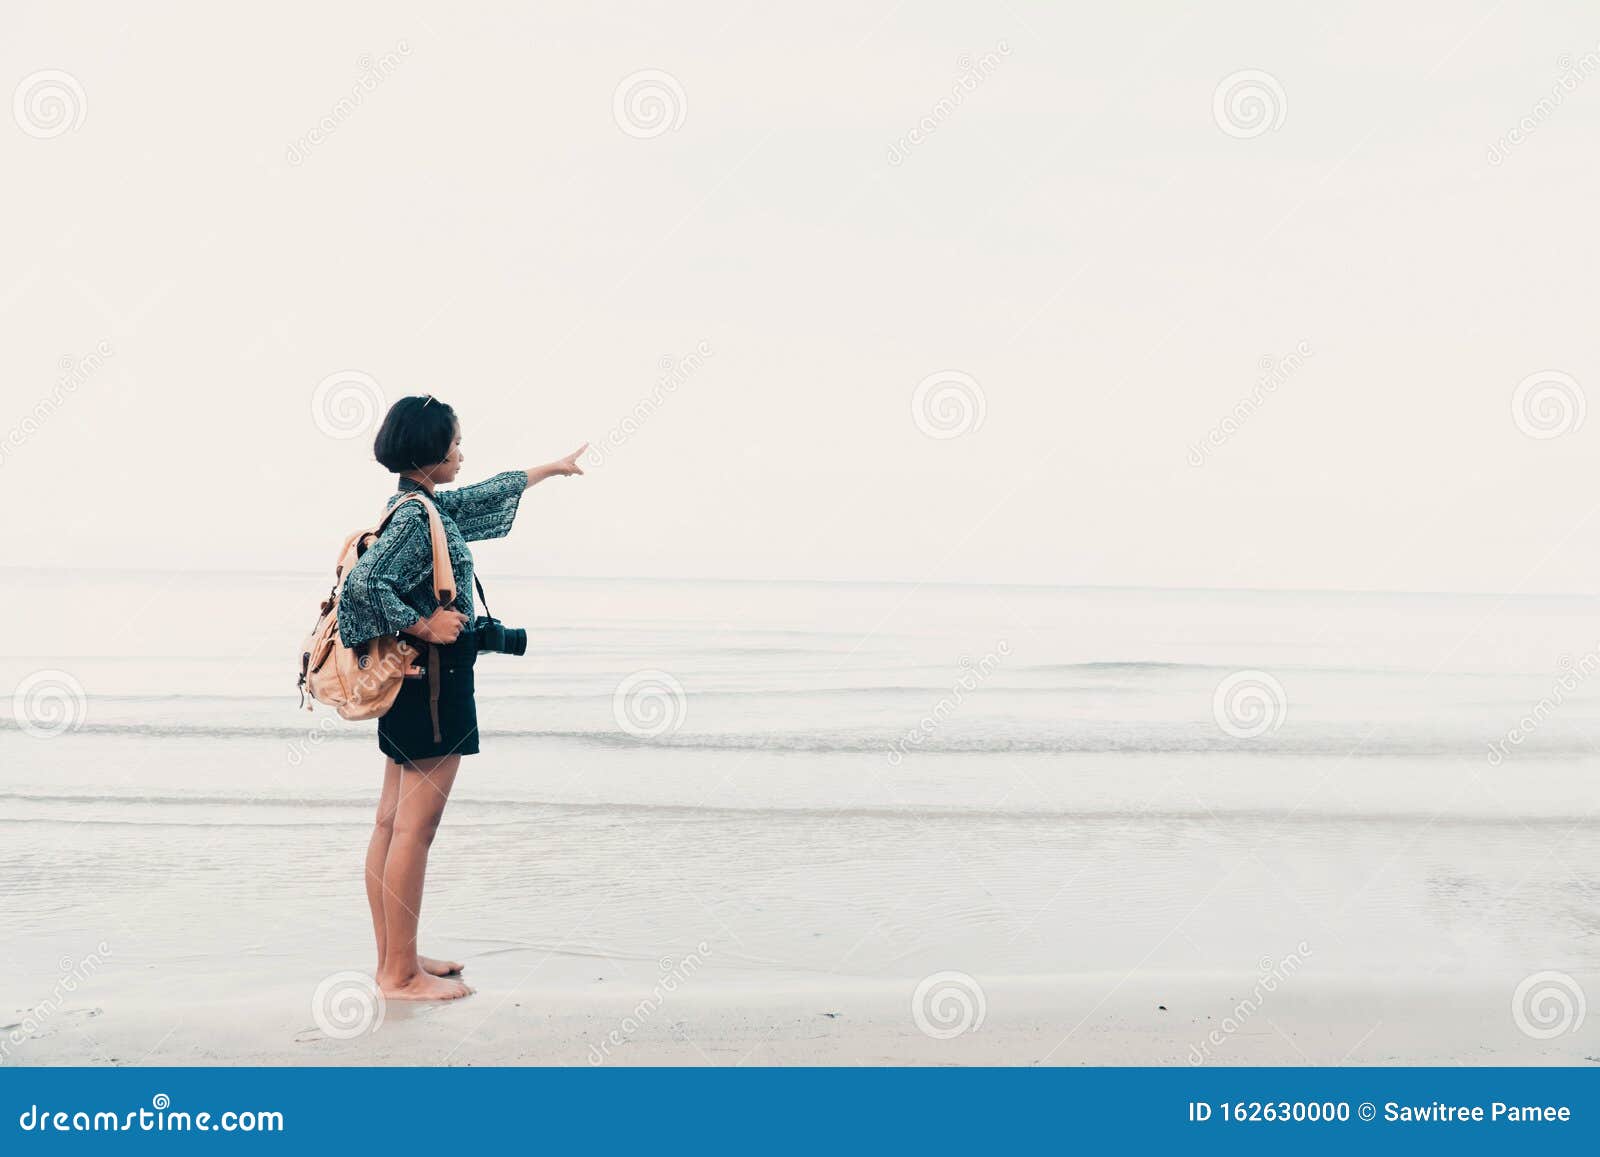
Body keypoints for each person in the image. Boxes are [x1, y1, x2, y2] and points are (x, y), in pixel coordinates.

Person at [336, 394, 586, 1001]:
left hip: (413, 682)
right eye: (454, 444)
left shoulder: (417, 507)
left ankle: (396, 957)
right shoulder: (413, 520)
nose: (461, 454)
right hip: (432, 683)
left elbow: (483, 498)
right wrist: (424, 624)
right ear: (429, 452)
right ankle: (400, 976)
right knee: (414, 830)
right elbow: (361, 589)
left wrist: (549, 470)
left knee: (391, 823)